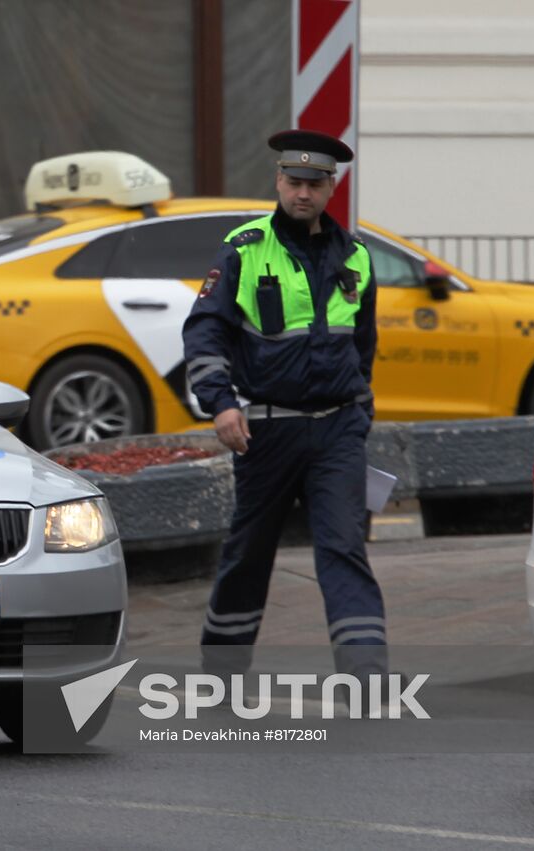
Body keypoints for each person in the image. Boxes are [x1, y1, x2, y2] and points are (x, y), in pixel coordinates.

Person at [181, 129, 386, 677]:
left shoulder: (358, 257)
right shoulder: (245, 249)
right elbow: (205, 332)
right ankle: (221, 672)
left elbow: (363, 348)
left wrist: (360, 410)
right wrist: (221, 404)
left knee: (344, 550)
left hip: (337, 429)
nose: (303, 194)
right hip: (265, 432)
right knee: (249, 555)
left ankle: (366, 675)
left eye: (314, 184)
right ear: (278, 181)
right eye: (293, 182)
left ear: (330, 188)